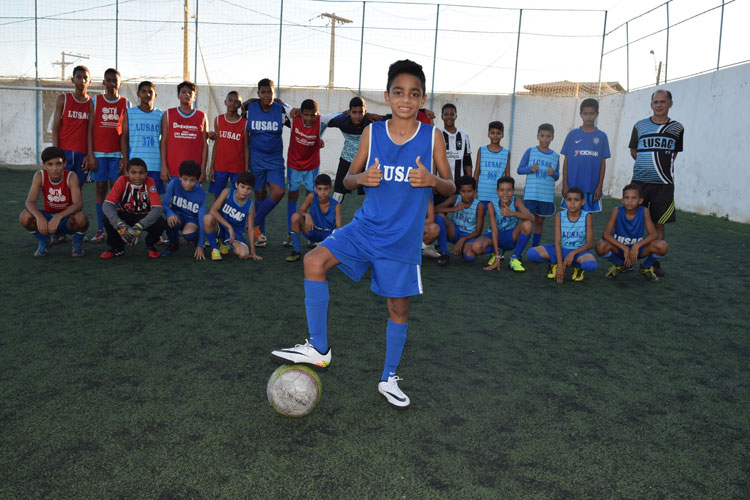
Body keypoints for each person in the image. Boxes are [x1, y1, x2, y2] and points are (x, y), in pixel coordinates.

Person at [270, 59, 455, 409]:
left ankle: (388, 378)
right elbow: (347, 180)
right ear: (388, 96)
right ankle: (320, 348)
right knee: (313, 261)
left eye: (413, 94)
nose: (405, 99)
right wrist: (362, 179)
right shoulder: (374, 132)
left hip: (401, 240)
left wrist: (433, 181)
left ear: (422, 98)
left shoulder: (433, 137)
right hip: (366, 228)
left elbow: (451, 188)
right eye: (398, 92)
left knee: (398, 309)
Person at [628, 89, 684, 277]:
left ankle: (654, 262)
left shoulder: (677, 128)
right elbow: (634, 151)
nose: (659, 105)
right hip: (640, 183)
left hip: (664, 184)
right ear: (651, 105)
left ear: (670, 103)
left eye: (663, 101)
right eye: (655, 102)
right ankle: (626, 258)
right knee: (633, 220)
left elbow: (674, 154)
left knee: (659, 223)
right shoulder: (640, 126)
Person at [246, 78, 292, 246]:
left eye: (270, 92)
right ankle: (260, 235)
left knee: (278, 191)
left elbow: (298, 124)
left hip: (274, 160)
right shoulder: (249, 109)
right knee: (259, 194)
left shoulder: (281, 111)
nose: (267, 95)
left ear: (274, 93)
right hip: (256, 159)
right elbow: (236, 113)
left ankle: (254, 222)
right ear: (258, 94)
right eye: (263, 92)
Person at [19, 146, 88, 257]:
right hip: (47, 219)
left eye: (58, 164)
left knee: (81, 218)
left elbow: (78, 204)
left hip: (66, 219)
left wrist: (58, 217)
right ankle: (44, 241)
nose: (55, 168)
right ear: (44, 165)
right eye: (50, 164)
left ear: (65, 164)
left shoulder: (71, 176)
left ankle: (77, 243)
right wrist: (39, 217)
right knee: (24, 216)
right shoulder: (39, 175)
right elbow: (29, 202)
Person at [87, 68, 129, 244]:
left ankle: (118, 227)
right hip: (99, 154)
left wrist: (125, 158)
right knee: (100, 188)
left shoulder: (126, 103)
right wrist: (90, 154)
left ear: (120, 84)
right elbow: (89, 130)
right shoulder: (95, 101)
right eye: (108, 80)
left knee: (116, 192)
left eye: (115, 81)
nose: (112, 83)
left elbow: (126, 134)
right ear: (103, 82)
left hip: (117, 155)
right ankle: (100, 229)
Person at [595, 183, 669, 282]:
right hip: (619, 249)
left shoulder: (644, 211)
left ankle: (645, 267)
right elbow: (606, 235)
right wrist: (625, 248)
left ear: (640, 201)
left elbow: (653, 234)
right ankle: (619, 264)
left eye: (634, 198)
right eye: (627, 197)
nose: (630, 201)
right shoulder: (617, 211)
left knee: (662, 246)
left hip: (638, 250)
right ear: (622, 200)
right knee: (600, 246)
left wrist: (637, 246)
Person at [283, 99, 332, 247]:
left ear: (317, 115)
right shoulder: (294, 117)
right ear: (301, 113)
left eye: (313, 115)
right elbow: (279, 103)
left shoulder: (322, 120)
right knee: (293, 195)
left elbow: (339, 116)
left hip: (311, 166)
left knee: (312, 197)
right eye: (306, 115)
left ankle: (312, 233)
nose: (309, 118)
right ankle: (291, 231)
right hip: (294, 165)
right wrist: (295, 108)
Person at [100, 158, 166, 259]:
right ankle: (117, 248)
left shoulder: (150, 182)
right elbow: (107, 205)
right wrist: (120, 226)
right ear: (127, 173)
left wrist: (139, 226)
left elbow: (157, 208)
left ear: (146, 173)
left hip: (144, 216)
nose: (138, 176)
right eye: (133, 173)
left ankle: (150, 245)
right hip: (125, 215)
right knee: (107, 218)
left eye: (141, 173)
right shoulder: (122, 181)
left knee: (160, 222)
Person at [526, 187, 597, 283]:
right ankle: (553, 263)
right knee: (531, 253)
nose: (572, 203)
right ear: (565, 201)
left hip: (578, 251)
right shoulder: (559, 216)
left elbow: (590, 243)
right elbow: (557, 241)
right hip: (560, 249)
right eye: (569, 200)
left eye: (576, 200)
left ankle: (578, 268)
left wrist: (572, 253)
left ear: (583, 202)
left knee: (591, 264)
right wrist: (560, 265)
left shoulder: (587, 216)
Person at [471, 176, 533, 272]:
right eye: (502, 190)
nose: (505, 193)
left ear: (513, 191)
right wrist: (497, 257)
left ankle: (514, 259)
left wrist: (513, 213)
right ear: (497, 191)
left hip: (510, 235)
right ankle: (497, 251)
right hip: (495, 235)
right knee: (476, 247)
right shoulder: (491, 205)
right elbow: (494, 230)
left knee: (527, 224)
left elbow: (531, 217)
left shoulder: (515, 200)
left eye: (509, 190)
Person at [326, 96, 383, 203]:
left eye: (360, 112)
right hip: (346, 160)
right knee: (339, 190)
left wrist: (421, 111)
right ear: (349, 112)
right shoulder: (342, 121)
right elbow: (323, 119)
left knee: (372, 190)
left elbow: (396, 118)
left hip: (366, 162)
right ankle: (332, 216)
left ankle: (371, 217)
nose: (357, 116)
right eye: (354, 112)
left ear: (365, 112)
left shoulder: (372, 121)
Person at [561, 98, 610, 213]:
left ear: (597, 114)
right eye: (585, 113)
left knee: (587, 218)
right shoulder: (572, 134)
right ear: (580, 114)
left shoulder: (602, 136)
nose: (588, 116)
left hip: (591, 187)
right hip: (573, 186)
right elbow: (566, 161)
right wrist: (565, 184)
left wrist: (599, 186)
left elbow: (603, 164)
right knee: (571, 217)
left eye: (591, 113)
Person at [517, 123, 560, 248]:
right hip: (531, 194)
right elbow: (520, 170)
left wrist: (553, 173)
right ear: (537, 136)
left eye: (548, 136)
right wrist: (530, 168)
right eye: (542, 136)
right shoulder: (530, 151)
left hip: (546, 196)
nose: (545, 139)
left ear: (552, 137)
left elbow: (556, 176)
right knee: (527, 221)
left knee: (540, 221)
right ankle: (520, 248)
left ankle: (534, 248)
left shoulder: (555, 156)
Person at [203, 171, 262, 262]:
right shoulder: (227, 192)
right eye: (242, 186)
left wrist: (253, 252)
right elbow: (213, 210)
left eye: (249, 188)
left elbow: (250, 229)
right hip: (220, 225)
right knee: (207, 218)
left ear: (252, 189)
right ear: (236, 185)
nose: (245, 191)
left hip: (235, 232)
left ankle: (225, 243)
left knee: (243, 255)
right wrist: (228, 226)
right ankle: (215, 249)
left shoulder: (250, 205)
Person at [160, 81, 209, 185]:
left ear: (194, 97)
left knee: (193, 200)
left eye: (190, 93)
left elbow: (205, 144)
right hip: (173, 169)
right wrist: (163, 166)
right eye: (183, 92)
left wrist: (203, 169)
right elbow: (163, 141)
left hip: (194, 171)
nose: (187, 94)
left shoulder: (202, 116)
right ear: (178, 95)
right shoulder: (168, 114)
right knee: (173, 200)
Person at [286, 174, 341, 262]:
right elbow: (300, 211)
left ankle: (325, 247)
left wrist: (335, 242)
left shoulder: (336, 205)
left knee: (324, 257)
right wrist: (307, 215)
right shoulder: (311, 197)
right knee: (295, 217)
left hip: (327, 235)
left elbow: (339, 228)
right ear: (315, 188)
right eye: (319, 189)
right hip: (312, 231)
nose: (322, 192)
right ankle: (296, 252)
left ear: (330, 189)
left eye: (325, 189)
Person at [51, 65, 91, 187]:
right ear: (72, 79)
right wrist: (56, 153)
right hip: (64, 152)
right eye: (78, 77)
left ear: (90, 81)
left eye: (85, 78)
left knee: (78, 188)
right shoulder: (63, 99)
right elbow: (55, 128)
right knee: (62, 187)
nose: (82, 80)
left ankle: (77, 207)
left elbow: (93, 132)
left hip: (83, 153)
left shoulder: (93, 103)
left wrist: (90, 154)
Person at [121, 81, 164, 194]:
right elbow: (124, 138)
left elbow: (165, 141)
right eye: (143, 91)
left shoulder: (161, 115)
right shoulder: (129, 113)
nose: (147, 94)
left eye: (150, 92)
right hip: (135, 166)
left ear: (155, 95)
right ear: (138, 94)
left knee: (153, 199)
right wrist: (126, 162)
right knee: (134, 198)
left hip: (155, 165)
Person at [434, 175, 485, 265]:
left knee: (469, 257)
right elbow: (435, 209)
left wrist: (463, 240)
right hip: (455, 232)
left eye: (469, 191)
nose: (466, 194)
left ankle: (464, 248)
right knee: (440, 217)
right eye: (463, 191)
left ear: (474, 191)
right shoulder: (455, 198)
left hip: (468, 236)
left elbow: (478, 232)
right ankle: (444, 253)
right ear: (459, 191)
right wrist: (453, 209)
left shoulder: (479, 206)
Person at [162, 160, 208, 260]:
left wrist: (201, 245)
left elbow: (201, 219)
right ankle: (173, 244)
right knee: (168, 221)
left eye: (192, 180)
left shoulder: (201, 194)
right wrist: (170, 213)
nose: (188, 183)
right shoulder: (173, 183)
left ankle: (197, 241)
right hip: (178, 216)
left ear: (197, 180)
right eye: (185, 179)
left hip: (192, 220)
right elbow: (164, 205)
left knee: (188, 234)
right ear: (180, 177)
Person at [207, 91, 248, 202]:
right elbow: (216, 144)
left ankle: (232, 219)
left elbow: (246, 148)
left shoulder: (245, 123)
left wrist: (245, 170)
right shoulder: (218, 120)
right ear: (225, 102)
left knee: (238, 197)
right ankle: (219, 218)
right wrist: (212, 167)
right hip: (220, 166)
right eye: (230, 100)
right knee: (218, 197)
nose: (232, 103)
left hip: (238, 167)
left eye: (236, 101)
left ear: (240, 105)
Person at [474, 120, 510, 208]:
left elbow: (507, 174)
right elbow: (477, 171)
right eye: (492, 133)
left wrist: (508, 192)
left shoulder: (506, 153)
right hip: (482, 193)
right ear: (488, 134)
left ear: (502, 135)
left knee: (495, 220)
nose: (495, 135)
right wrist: (474, 190)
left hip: (498, 195)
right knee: (479, 218)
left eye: (498, 133)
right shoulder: (481, 150)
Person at [440, 103, 472, 189]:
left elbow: (467, 160)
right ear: (442, 117)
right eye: (446, 114)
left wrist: (470, 181)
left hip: (460, 181)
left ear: (456, 116)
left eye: (452, 114)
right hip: (442, 181)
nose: (449, 117)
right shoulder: (438, 134)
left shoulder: (464, 135)